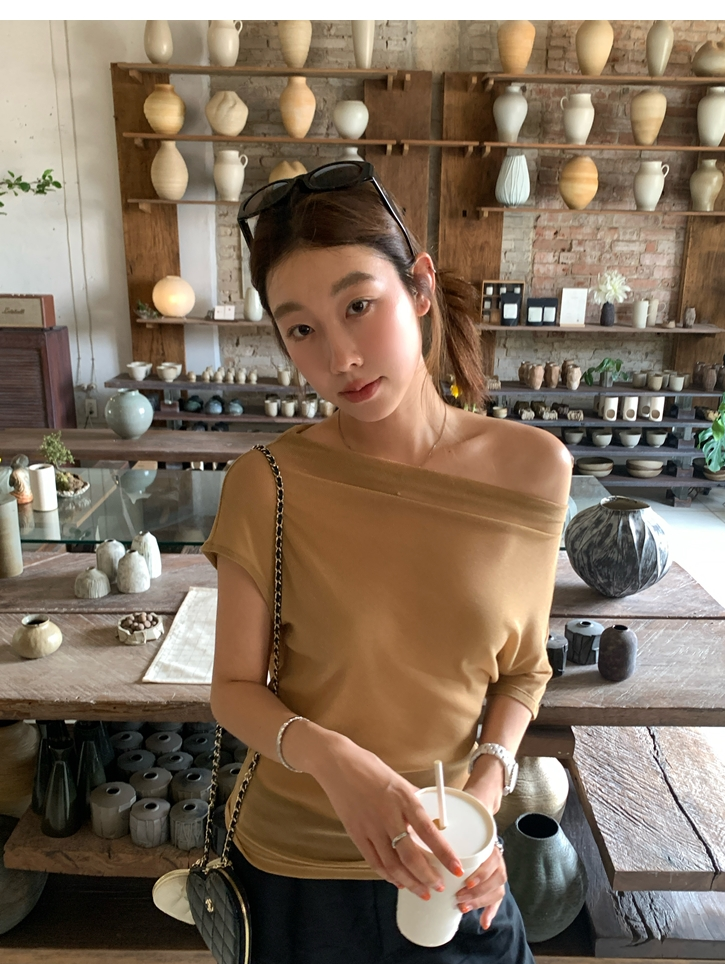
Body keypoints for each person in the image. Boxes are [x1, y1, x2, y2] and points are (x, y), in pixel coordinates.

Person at [202, 160, 572, 964]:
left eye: (359, 306)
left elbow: (523, 670)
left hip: (450, 861)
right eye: (302, 330)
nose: (339, 357)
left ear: (421, 287)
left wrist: (483, 795)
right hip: (298, 867)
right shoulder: (266, 482)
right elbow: (232, 688)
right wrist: (335, 759)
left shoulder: (534, 469)